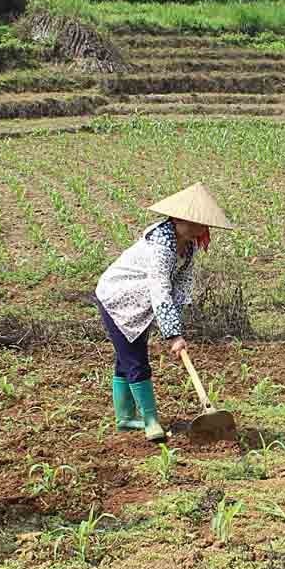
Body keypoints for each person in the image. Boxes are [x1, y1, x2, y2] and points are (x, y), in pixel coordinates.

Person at [95, 183, 234, 442]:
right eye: (193, 222)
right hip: (117, 298)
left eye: (202, 224)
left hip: (140, 302)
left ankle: (125, 419)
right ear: (177, 219)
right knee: (135, 358)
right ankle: (150, 421)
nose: (198, 228)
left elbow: (180, 286)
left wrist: (175, 327)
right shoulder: (161, 245)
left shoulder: (188, 245)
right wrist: (173, 335)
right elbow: (160, 289)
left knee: (126, 358)